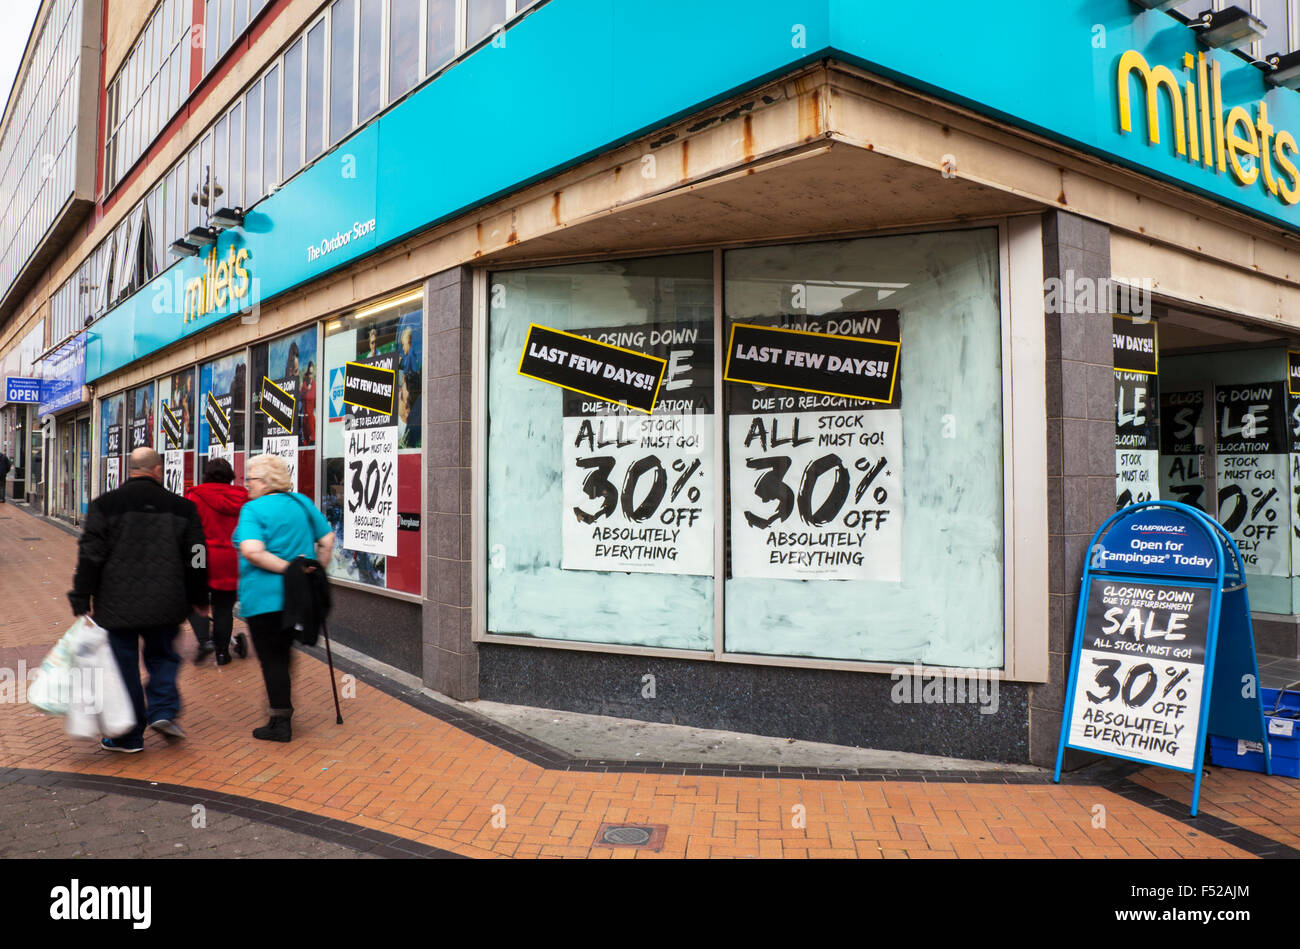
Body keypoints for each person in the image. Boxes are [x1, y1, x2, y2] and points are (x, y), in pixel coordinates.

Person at [68, 447, 209, 752]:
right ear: (157, 470)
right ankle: (163, 711)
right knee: (163, 657)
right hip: (167, 602)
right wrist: (199, 596)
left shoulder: (104, 505)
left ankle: (129, 735)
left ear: (129, 470)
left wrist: (81, 594)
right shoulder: (183, 508)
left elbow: (90, 553)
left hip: (116, 604)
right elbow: (197, 557)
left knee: (123, 665)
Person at [233, 453, 334, 742]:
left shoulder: (253, 510)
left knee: (272, 658)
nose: (246, 484)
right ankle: (281, 708)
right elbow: (326, 541)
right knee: (283, 653)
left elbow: (252, 550)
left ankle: (280, 722)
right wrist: (313, 570)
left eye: (250, 478)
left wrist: (289, 569)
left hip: (263, 599)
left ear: (264, 481)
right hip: (296, 599)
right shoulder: (301, 502)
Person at [186, 457, 250, 665]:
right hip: (232, 558)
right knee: (224, 607)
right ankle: (222, 653)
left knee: (193, 599)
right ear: (230, 476)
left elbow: (189, 531)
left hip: (200, 556)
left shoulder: (195, 496)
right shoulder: (244, 498)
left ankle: (205, 640)